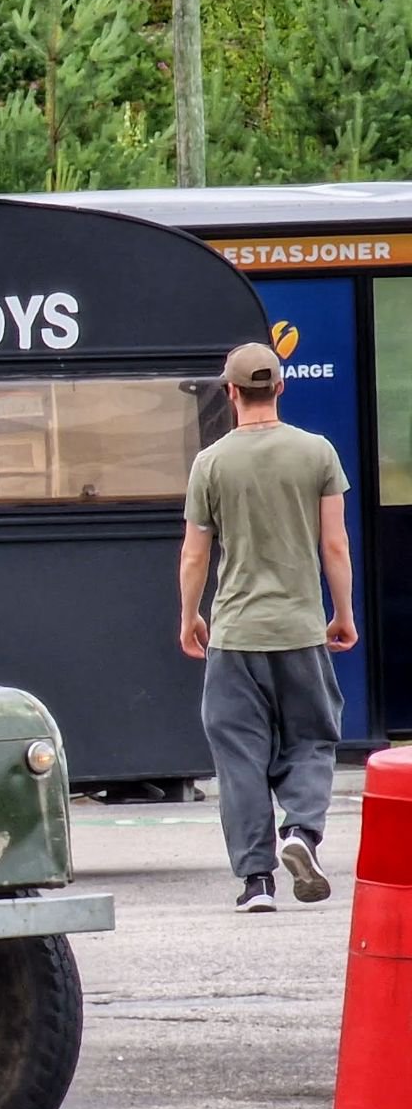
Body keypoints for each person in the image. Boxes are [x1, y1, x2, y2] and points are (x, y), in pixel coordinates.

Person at [179, 342, 358, 914]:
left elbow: (194, 556)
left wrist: (190, 617)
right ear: (280, 387)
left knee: (239, 758)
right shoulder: (317, 452)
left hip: (233, 635)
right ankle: (301, 834)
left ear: (230, 392)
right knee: (312, 739)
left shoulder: (211, 462)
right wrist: (343, 613)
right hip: (300, 629)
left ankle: (256, 882)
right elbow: (334, 542)